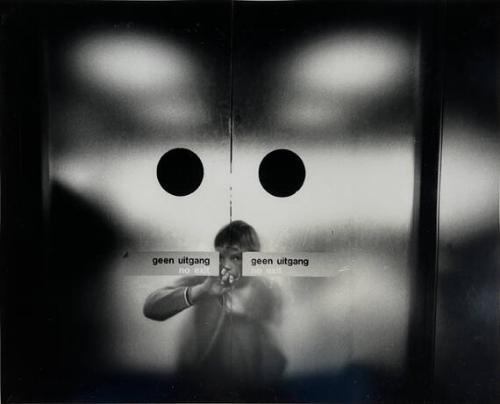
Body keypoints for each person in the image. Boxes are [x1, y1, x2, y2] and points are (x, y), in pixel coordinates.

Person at [143, 220, 286, 394]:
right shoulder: (205, 279)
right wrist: (200, 291)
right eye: (220, 257)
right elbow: (151, 307)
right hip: (203, 389)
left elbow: (276, 349)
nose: (225, 265)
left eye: (235, 257)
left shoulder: (267, 290)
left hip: (252, 391)